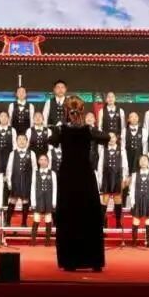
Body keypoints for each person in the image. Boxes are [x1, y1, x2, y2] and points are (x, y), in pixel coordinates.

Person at [48, 95, 108, 271]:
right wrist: (90, 127)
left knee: (69, 216)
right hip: (84, 176)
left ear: (66, 112)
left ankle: (70, 261)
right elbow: (105, 137)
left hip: (69, 177)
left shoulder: (62, 130)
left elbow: (50, 141)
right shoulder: (88, 130)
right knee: (89, 215)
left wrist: (56, 129)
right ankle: (93, 261)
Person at [96, 132, 128, 230]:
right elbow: (100, 165)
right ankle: (101, 222)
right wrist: (100, 179)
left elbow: (125, 165)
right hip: (106, 177)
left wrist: (124, 177)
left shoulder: (122, 149)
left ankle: (118, 222)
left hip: (117, 176)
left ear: (116, 138)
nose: (111, 139)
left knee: (117, 199)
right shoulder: (103, 150)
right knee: (105, 199)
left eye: (113, 137)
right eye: (108, 137)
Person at [128, 153, 149, 248]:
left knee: (148, 221)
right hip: (137, 200)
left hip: (148, 200)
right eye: (141, 160)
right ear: (139, 163)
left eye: (145, 160)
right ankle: (134, 242)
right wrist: (132, 201)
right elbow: (132, 189)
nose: (143, 162)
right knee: (136, 220)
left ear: (148, 162)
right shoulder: (135, 175)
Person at [6, 135, 36, 228]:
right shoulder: (12, 153)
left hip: (27, 181)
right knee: (12, 200)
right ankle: (7, 222)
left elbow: (35, 168)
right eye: (19, 139)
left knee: (25, 201)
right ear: (16, 141)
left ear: (27, 141)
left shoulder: (32, 153)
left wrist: (34, 182)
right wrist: (9, 182)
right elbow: (9, 168)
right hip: (15, 180)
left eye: (24, 139)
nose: (22, 141)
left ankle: (24, 223)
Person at [30, 152, 57, 245]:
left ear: (48, 162)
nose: (43, 161)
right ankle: (33, 240)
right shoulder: (35, 173)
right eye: (41, 159)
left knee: (48, 219)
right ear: (38, 161)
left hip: (49, 199)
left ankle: (48, 241)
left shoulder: (52, 173)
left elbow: (55, 188)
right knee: (36, 219)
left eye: (45, 160)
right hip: (38, 198)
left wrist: (54, 201)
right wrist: (33, 201)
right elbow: (33, 187)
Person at [124, 111, 146, 178]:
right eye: (131, 117)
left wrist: (144, 158)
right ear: (128, 119)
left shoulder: (143, 130)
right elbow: (123, 146)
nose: (134, 118)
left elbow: (145, 145)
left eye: (135, 116)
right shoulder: (124, 131)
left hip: (139, 156)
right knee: (128, 175)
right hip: (128, 156)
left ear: (138, 118)